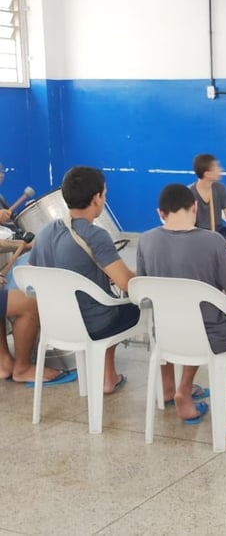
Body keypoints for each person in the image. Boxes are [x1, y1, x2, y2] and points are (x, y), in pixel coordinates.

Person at [136, 184, 226, 433]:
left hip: (165, 336)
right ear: (195, 207)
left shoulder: (146, 241)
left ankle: (184, 390)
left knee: (192, 318)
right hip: (212, 336)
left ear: (160, 212)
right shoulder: (213, 241)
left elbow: (143, 289)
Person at [28, 166, 139, 393]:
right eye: (104, 194)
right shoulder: (96, 235)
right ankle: (166, 386)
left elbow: (32, 276)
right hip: (94, 325)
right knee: (136, 306)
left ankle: (108, 376)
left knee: (103, 302)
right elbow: (126, 283)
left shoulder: (46, 232)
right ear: (97, 198)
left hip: (55, 325)